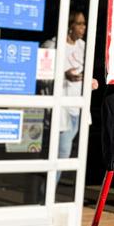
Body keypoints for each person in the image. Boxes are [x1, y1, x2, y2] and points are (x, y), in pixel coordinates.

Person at [46, 10, 99, 161]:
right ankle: (49, 177)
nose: (84, 27)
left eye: (84, 24)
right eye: (79, 23)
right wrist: (64, 75)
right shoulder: (53, 46)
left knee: (68, 154)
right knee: (62, 154)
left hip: (80, 108)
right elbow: (43, 77)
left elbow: (83, 72)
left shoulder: (83, 46)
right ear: (70, 25)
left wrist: (89, 81)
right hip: (63, 107)